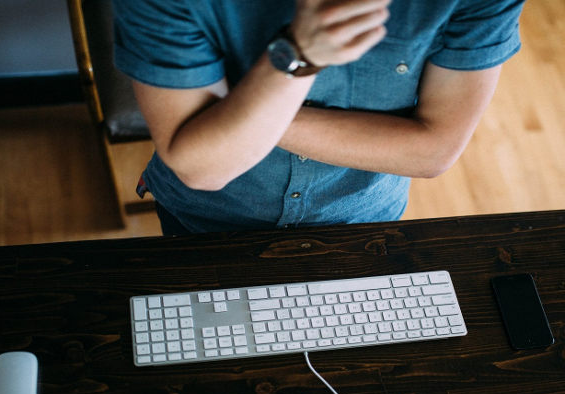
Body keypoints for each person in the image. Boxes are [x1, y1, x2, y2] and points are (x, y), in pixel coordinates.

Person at [113, 0, 525, 235]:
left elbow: (433, 152)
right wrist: (296, 57)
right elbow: (205, 169)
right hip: (207, 220)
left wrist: (244, 119)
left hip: (363, 219)